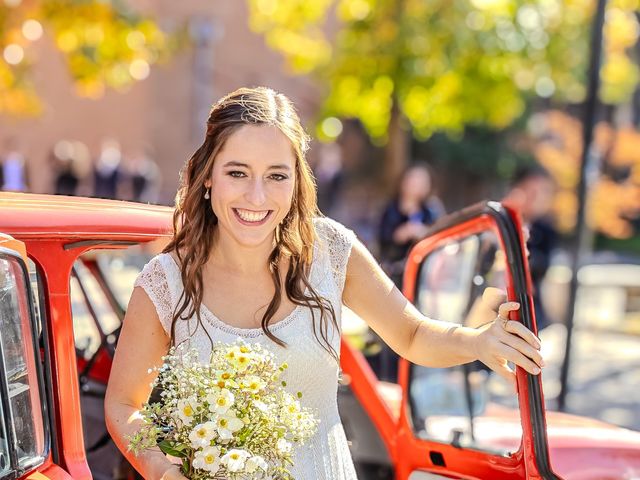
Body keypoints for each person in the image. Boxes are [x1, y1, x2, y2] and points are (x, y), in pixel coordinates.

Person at [104, 87, 543, 480]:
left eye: (277, 175)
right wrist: (163, 471)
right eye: (237, 173)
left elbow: (411, 333)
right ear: (207, 178)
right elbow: (124, 405)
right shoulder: (166, 281)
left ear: (296, 183)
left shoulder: (329, 251)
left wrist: (479, 342)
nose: (257, 197)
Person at [376, 163, 444, 381]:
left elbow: (442, 238)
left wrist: (422, 233)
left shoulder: (431, 211)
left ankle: (415, 379)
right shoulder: (392, 209)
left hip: (423, 281)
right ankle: (391, 379)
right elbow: (383, 241)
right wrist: (401, 234)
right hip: (395, 277)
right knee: (392, 328)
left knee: (421, 328)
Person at [503, 165, 558, 330]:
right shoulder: (500, 221)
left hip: (528, 310)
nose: (536, 198)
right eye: (530, 191)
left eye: (542, 193)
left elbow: (541, 267)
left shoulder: (545, 229)